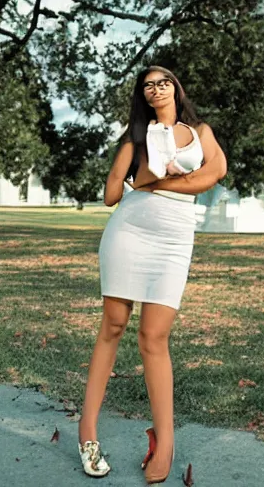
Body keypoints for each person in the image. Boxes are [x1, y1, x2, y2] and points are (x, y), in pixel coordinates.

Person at [77, 66, 227, 483]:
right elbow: (111, 195)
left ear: (176, 89)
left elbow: (214, 174)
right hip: (129, 233)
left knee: (154, 336)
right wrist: (144, 174)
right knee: (113, 326)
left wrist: (156, 182)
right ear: (143, 97)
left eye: (164, 82)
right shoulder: (134, 141)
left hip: (174, 241)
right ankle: (87, 429)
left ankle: (165, 439)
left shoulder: (200, 132)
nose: (157, 88)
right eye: (149, 85)